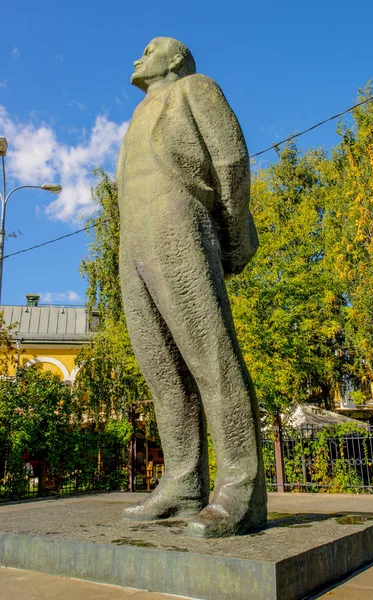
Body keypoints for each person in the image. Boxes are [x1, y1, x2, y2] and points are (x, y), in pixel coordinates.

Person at [117, 37, 266, 538]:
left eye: (149, 48)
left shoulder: (195, 88)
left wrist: (228, 232)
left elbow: (230, 160)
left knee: (209, 355)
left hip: (177, 219)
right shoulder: (136, 115)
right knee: (161, 369)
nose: (138, 56)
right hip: (132, 235)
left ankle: (240, 487)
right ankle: (182, 483)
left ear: (175, 60)